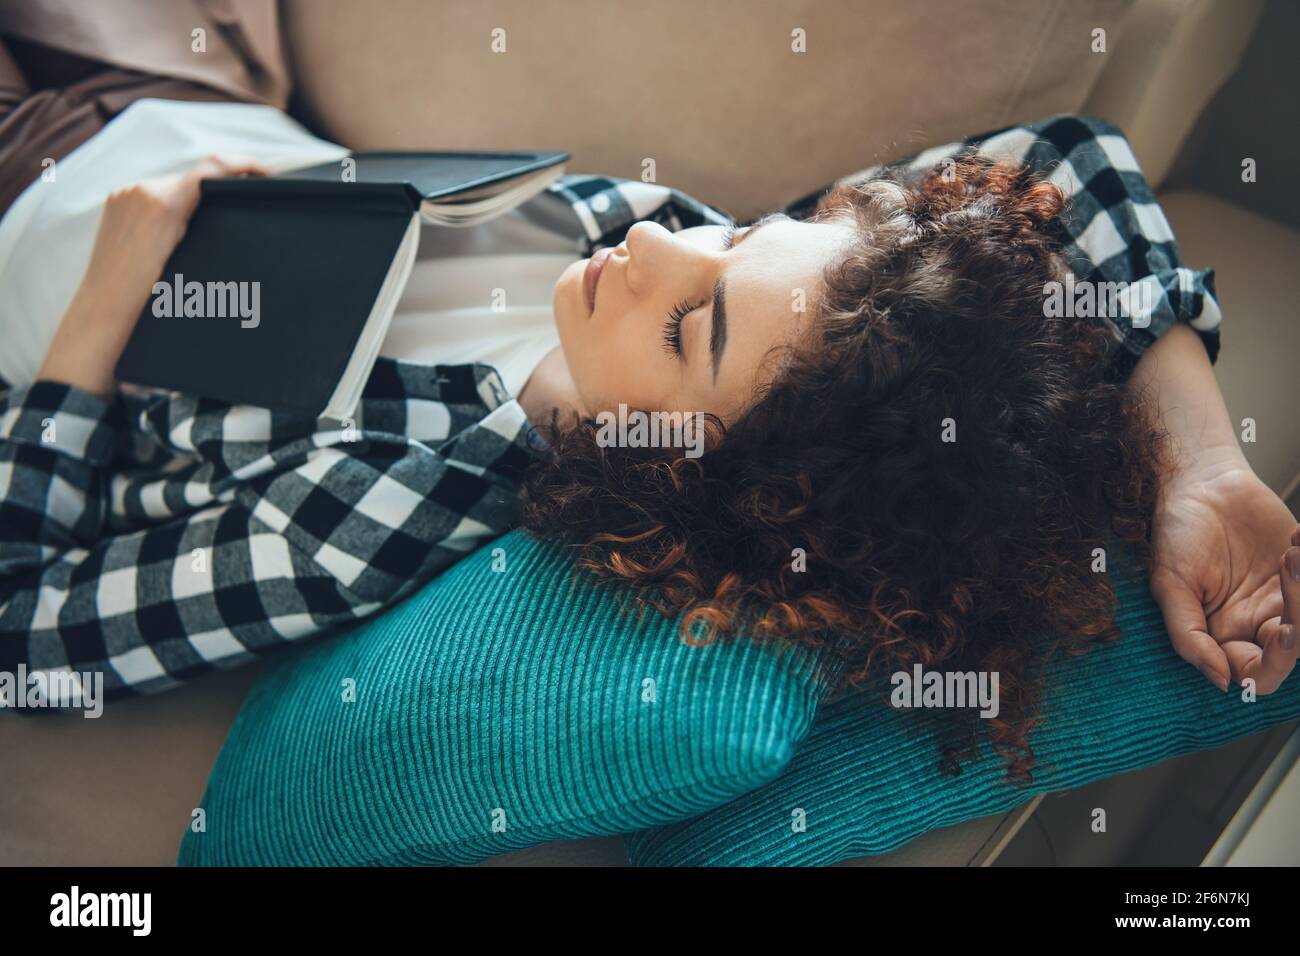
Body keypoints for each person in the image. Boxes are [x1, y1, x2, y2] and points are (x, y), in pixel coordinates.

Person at [1, 104, 1295, 777]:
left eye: (697, 326)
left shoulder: (362, 515)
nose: (664, 243)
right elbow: (1067, 159)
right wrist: (1203, 462)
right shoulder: (761, 319)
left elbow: (29, 638)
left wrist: (101, 316)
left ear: (680, 460)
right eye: (737, 236)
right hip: (191, 114)